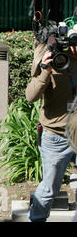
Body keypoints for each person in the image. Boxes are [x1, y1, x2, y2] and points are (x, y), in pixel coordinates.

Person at [26, 42, 77, 222]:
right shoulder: (54, 60)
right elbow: (30, 96)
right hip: (56, 136)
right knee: (49, 188)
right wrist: (45, 70)